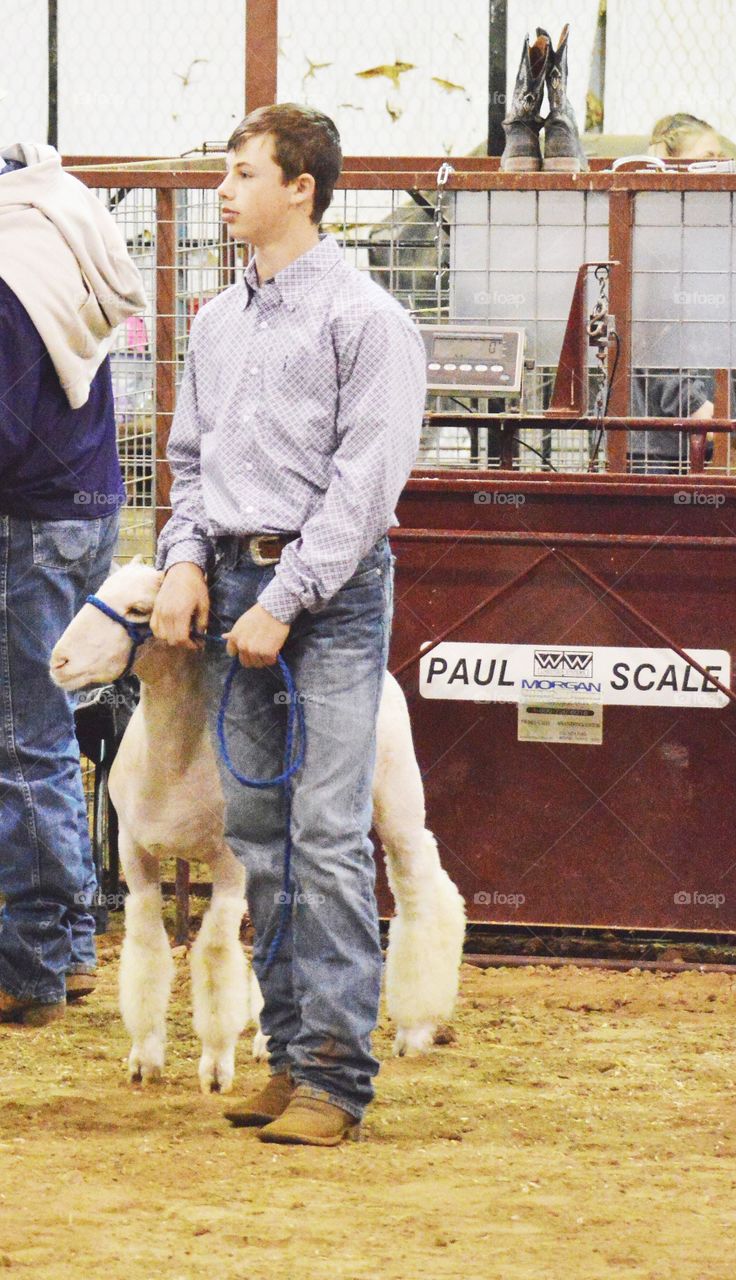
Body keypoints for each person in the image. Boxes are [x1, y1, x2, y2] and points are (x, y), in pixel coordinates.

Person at [151, 103, 427, 1146]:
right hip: (235, 584)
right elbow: (190, 465)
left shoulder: (364, 319)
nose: (222, 189)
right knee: (261, 833)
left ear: (300, 187)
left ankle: (335, 1077)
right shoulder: (214, 322)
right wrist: (185, 560)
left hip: (328, 595)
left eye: (240, 172)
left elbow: (362, 490)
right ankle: (292, 1054)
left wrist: (279, 598)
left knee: (321, 828)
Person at [0, 142, 145, 1023]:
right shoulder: (60, 230)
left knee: (25, 741)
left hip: (27, 526)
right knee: (46, 735)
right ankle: (68, 944)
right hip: (84, 508)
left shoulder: (2, 263)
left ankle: (35, 967)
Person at [628, 114, 725, 473]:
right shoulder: (667, 243)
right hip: (668, 450)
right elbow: (658, 345)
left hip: (658, 443)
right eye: (710, 155)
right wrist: (702, 410)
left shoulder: (664, 232)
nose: (721, 166)